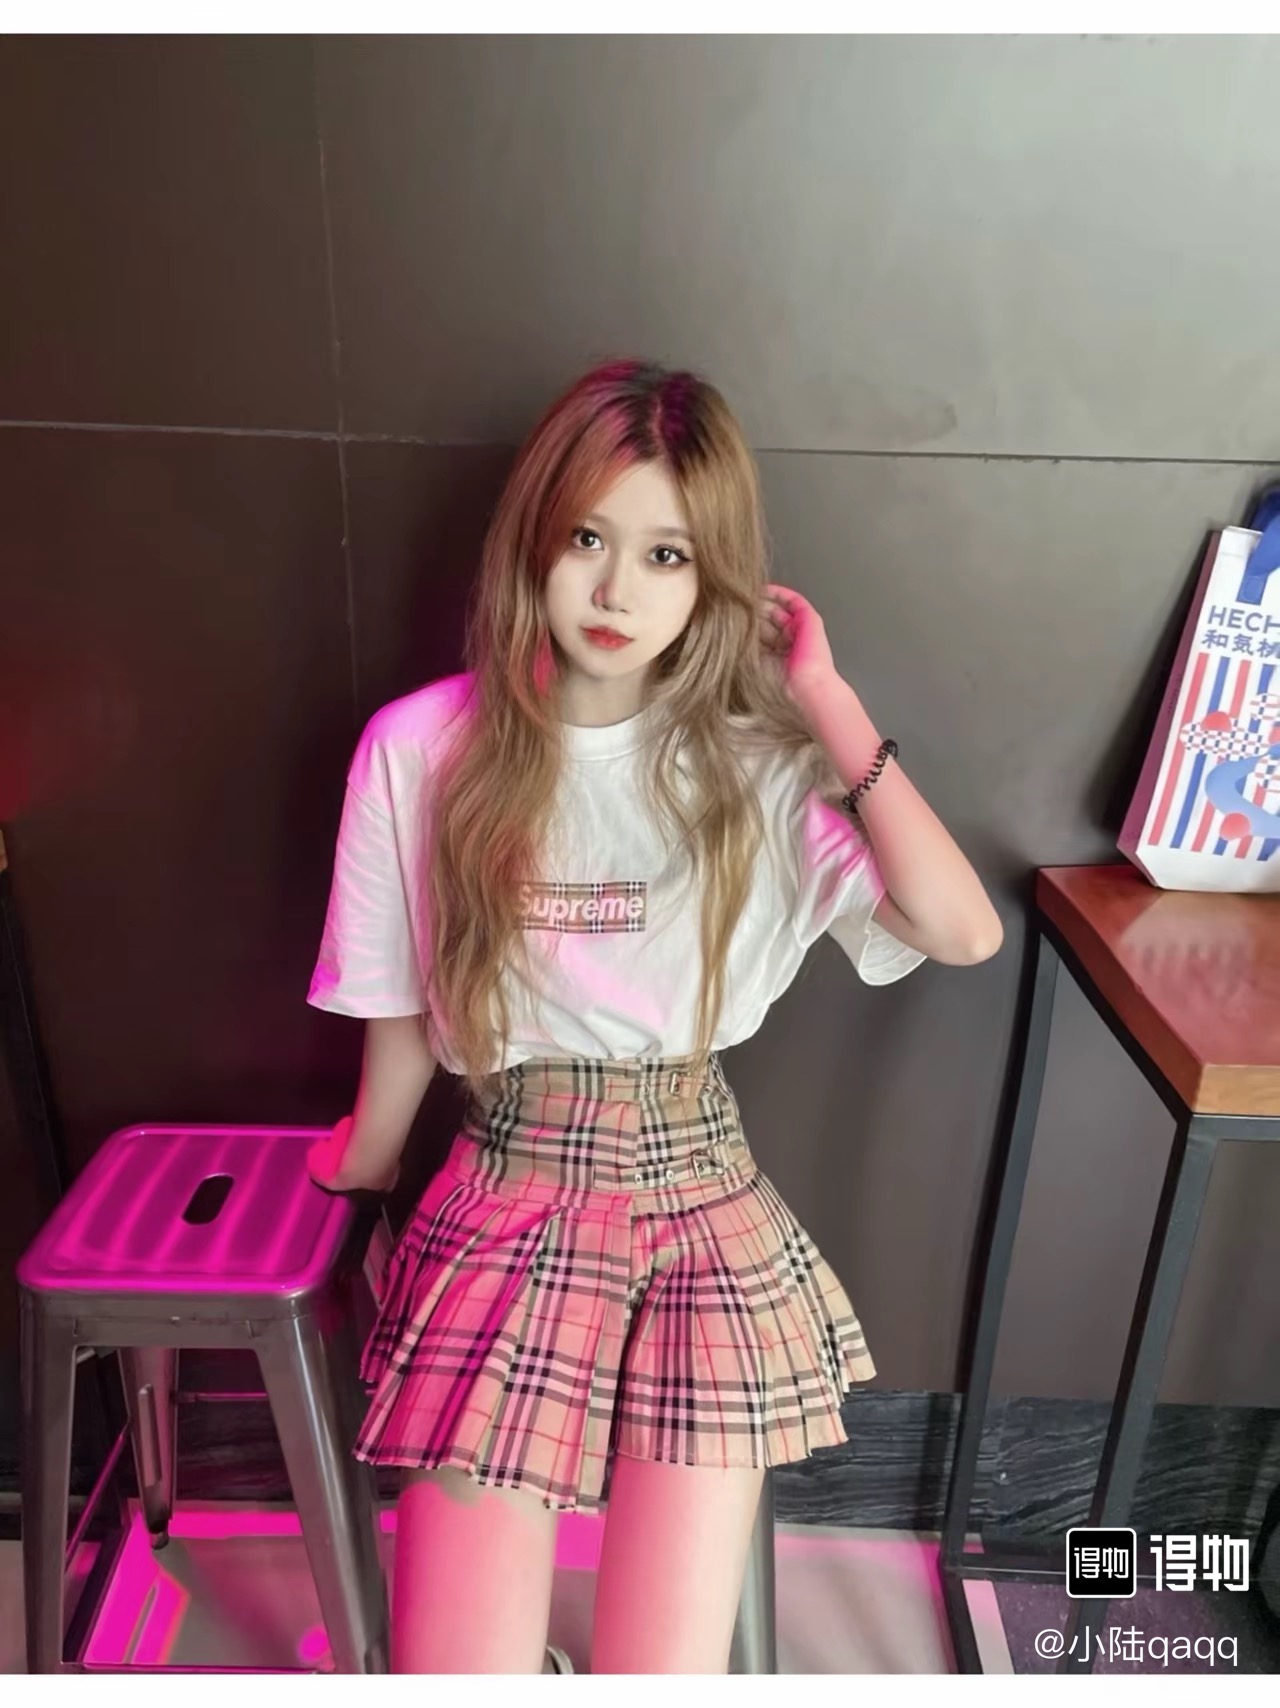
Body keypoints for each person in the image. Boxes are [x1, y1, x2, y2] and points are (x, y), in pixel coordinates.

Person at [303, 358, 1003, 1674]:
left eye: (667, 555)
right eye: (587, 539)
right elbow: (396, 1001)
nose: (617, 591)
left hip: (702, 1200)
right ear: (533, 541)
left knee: (663, 1674)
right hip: (505, 1183)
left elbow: (961, 930)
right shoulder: (421, 746)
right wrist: (370, 1157)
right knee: (453, 1673)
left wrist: (829, 704)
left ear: (713, 580)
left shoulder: (755, 766)